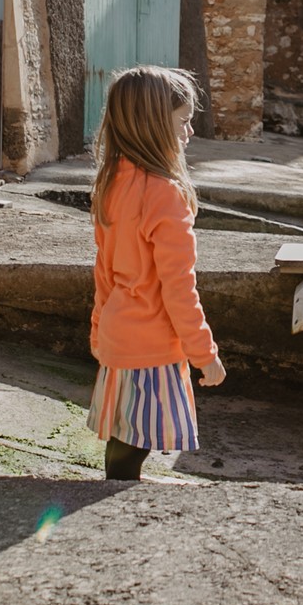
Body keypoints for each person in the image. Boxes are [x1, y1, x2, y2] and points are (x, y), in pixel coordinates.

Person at [86, 65, 226, 481]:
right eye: (183, 121)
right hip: (151, 343)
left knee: (126, 435)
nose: (190, 132)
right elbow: (179, 288)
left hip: (119, 331)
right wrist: (206, 355)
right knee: (135, 440)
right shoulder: (165, 194)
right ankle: (113, 503)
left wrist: (98, 328)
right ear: (153, 126)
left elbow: (104, 271)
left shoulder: (113, 183)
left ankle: (115, 490)